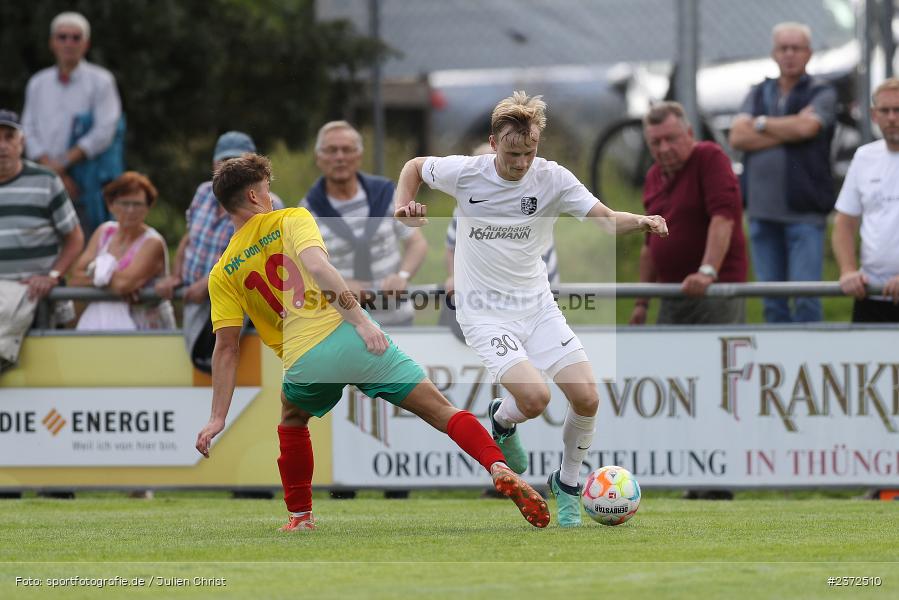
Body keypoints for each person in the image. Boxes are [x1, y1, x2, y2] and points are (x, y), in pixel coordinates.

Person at [195, 153, 550, 531]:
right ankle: (496, 465)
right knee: (442, 411)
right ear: (253, 196)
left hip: (305, 362)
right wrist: (363, 323)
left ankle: (300, 517)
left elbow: (227, 348)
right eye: (267, 190)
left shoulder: (222, 271)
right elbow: (318, 268)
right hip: (352, 339)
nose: (270, 198)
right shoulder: (290, 219)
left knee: (293, 421)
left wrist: (217, 417)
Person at [393, 91, 668, 527]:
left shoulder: (553, 178)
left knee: (587, 397)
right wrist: (403, 206)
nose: (521, 163)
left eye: (529, 152)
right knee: (535, 397)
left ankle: (568, 483)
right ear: (493, 141)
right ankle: (503, 422)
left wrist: (641, 220)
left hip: (537, 307)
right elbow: (413, 168)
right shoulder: (466, 172)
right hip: (482, 311)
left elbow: (603, 219)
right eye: (512, 153)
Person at [729, 22, 837, 323]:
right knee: (772, 304)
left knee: (806, 301)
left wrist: (761, 125)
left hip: (804, 214)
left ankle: (810, 364)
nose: (789, 54)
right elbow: (737, 137)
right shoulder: (758, 91)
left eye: (796, 48)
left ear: (809, 53)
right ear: (774, 53)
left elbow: (809, 126)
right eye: (783, 48)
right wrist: (789, 129)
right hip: (762, 214)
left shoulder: (822, 92)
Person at [155, 131, 282, 373]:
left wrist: (207, 283)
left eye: (237, 160)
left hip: (235, 301)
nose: (229, 167)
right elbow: (189, 237)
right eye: (223, 161)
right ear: (214, 164)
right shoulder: (204, 192)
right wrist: (176, 275)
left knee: (221, 361)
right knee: (201, 363)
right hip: (195, 299)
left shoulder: (268, 200)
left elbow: (256, 255)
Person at [629, 101, 748, 326]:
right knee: (668, 360)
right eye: (656, 142)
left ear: (690, 133)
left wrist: (707, 272)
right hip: (672, 293)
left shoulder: (709, 158)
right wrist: (641, 303)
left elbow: (723, 219)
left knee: (716, 360)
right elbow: (649, 245)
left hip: (715, 290)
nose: (663, 148)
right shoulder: (653, 175)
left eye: (671, 138)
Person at [301, 121, 427, 328]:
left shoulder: (386, 194)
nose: (340, 157)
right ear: (318, 158)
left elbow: (417, 243)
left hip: (398, 319)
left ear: (359, 156)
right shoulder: (307, 212)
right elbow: (304, 271)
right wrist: (339, 288)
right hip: (343, 325)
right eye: (331, 150)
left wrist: (402, 276)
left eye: (347, 150)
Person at [441, 142, 560, 341]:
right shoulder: (467, 205)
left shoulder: (529, 205)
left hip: (530, 305)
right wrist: (455, 276)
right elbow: (452, 248)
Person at [22, 11, 124, 239]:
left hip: (87, 182)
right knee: (42, 241)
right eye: (62, 36)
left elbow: (104, 131)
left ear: (86, 44)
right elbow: (27, 129)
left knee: (91, 244)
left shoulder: (101, 81)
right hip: (43, 176)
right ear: (52, 42)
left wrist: (63, 165)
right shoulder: (38, 83)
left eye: (75, 37)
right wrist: (52, 170)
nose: (69, 42)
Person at [0, 108, 84, 370]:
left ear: (21, 142)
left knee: (49, 376)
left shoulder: (45, 180)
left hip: (39, 301)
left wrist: (53, 275)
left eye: (8, 137)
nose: (2, 145)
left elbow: (74, 237)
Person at [70, 171, 174, 331]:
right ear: (111, 205)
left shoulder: (153, 242)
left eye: (138, 204)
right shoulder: (104, 232)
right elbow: (75, 278)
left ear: (148, 207)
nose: (131, 210)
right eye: (125, 203)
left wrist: (97, 275)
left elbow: (122, 285)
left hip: (147, 330)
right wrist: (106, 279)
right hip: (105, 325)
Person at [832, 77, 899, 321]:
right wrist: (848, 271)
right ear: (874, 115)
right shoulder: (864, 157)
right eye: (885, 110)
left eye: (898, 110)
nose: (892, 117)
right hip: (870, 294)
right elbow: (844, 223)